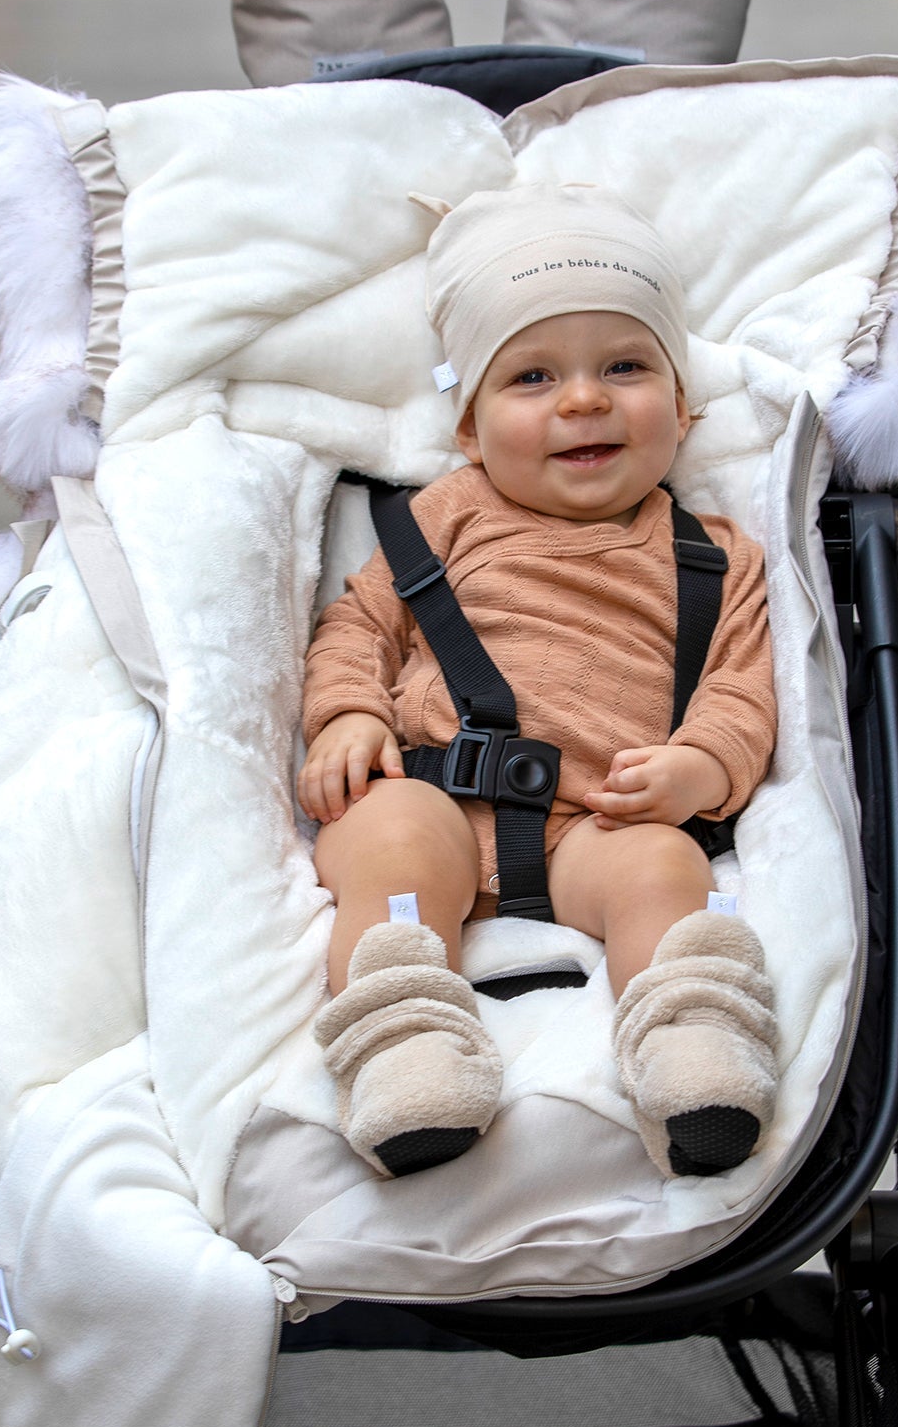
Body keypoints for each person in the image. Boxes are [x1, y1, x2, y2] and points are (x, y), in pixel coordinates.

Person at [300, 184, 779, 1183]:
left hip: (593, 822)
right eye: (532, 377)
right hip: (428, 788)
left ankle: (690, 1055)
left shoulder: (714, 557)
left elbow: (742, 689)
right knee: (390, 850)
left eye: (625, 367)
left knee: (664, 871)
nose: (584, 400)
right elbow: (358, 628)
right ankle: (404, 1052)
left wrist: (697, 768)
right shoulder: (446, 514)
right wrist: (345, 716)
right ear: (469, 428)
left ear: (681, 409)